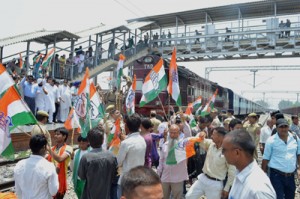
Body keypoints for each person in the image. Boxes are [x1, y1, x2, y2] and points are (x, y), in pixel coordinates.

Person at [222, 129, 276, 199]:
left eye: (224, 150)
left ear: (237, 153)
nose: (222, 154)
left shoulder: (259, 189)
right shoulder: (240, 173)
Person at [186, 127, 235, 199]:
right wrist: (201, 134)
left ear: (220, 137)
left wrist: (226, 189)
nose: (211, 136)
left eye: (213, 134)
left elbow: (232, 172)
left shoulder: (228, 152)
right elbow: (197, 139)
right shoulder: (210, 144)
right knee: (189, 196)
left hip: (216, 183)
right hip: (203, 178)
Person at [262, 118, 300, 199]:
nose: (284, 129)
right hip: (276, 176)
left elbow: (299, 154)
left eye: (285, 126)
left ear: (288, 127)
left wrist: (299, 169)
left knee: (290, 196)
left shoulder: (295, 138)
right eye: (281, 127)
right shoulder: (271, 140)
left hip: (291, 176)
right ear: (277, 128)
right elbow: (265, 158)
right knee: (278, 196)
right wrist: (263, 174)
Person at [14, 134, 59, 199]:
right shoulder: (49, 166)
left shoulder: (19, 165)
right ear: (44, 147)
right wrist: (56, 174)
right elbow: (53, 191)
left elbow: (18, 191)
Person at [78, 127, 118, 199]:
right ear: (103, 141)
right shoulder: (111, 156)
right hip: (107, 194)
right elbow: (115, 174)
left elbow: (81, 176)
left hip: (90, 194)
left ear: (89, 142)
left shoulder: (86, 158)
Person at [117, 113, 147, 198]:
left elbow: (118, 162)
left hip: (127, 180)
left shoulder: (125, 143)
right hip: (139, 178)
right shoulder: (142, 140)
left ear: (126, 126)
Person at [157, 124, 188, 199]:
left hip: (178, 178)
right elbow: (161, 161)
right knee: (163, 197)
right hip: (165, 177)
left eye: (175, 132)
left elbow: (188, 134)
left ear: (179, 133)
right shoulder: (165, 145)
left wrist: (185, 122)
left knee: (177, 197)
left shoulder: (182, 145)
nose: (173, 135)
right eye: (171, 132)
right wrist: (158, 174)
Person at [47, 127, 73, 199]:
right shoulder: (53, 148)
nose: (55, 136)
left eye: (58, 134)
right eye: (55, 134)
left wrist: (49, 150)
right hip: (50, 178)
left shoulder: (68, 148)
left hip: (60, 180)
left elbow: (60, 159)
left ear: (64, 136)